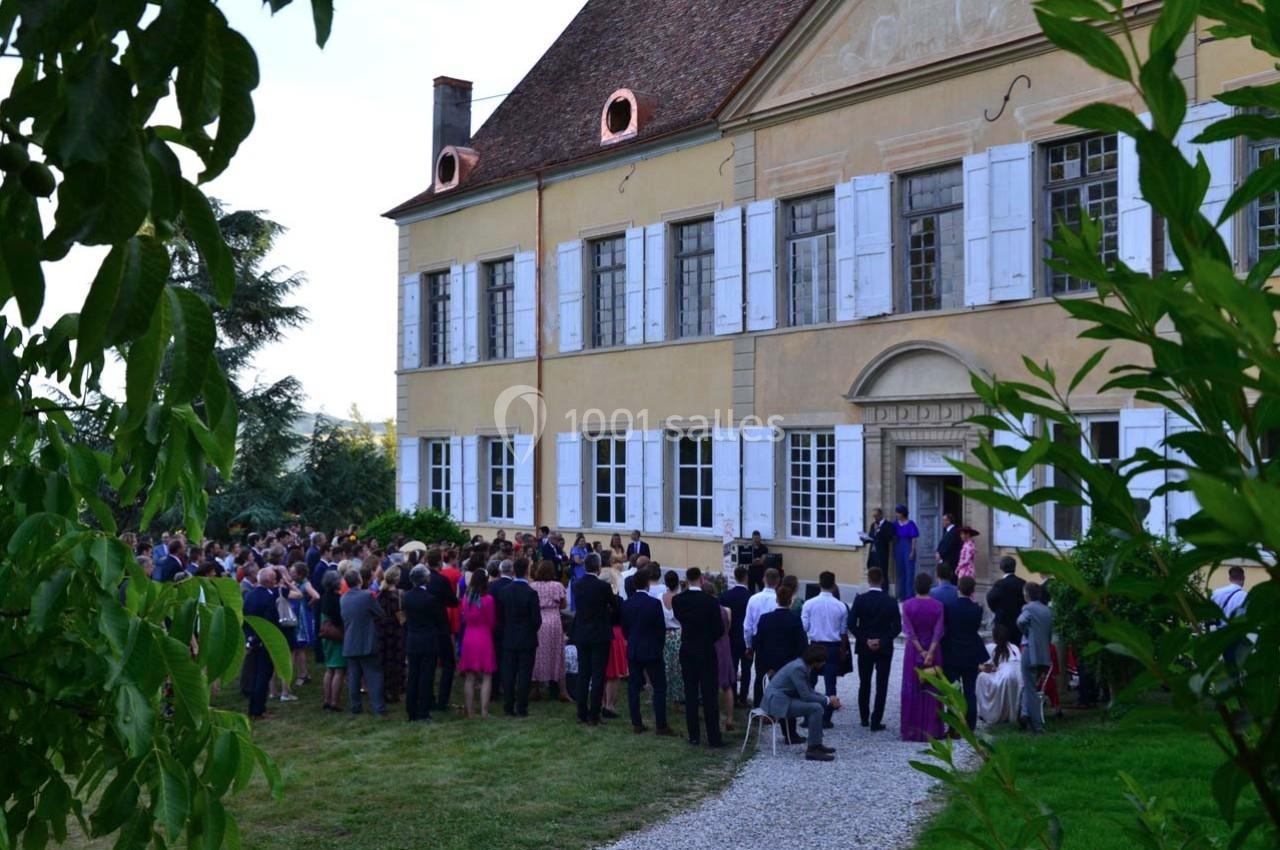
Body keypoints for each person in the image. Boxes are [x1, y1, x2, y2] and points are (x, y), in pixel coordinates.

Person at [761, 645, 841, 762]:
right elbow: (807, 696)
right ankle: (813, 749)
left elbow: (808, 690)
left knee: (816, 707)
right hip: (777, 703)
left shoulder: (802, 665)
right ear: (816, 661)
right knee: (816, 708)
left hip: (782, 698)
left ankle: (816, 744)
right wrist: (829, 701)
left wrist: (827, 698)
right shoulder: (799, 668)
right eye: (823, 661)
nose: (824, 664)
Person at [672, 567, 724, 747]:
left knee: (691, 693)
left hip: (687, 649)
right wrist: (707, 638)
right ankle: (713, 737)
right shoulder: (710, 602)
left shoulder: (678, 600)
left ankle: (694, 735)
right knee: (710, 694)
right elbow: (719, 629)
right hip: (706, 650)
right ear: (701, 579)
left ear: (686, 579)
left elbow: (680, 619)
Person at [751, 583, 808, 741]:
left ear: (776, 600)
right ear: (790, 601)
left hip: (767, 665)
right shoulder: (794, 619)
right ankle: (789, 733)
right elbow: (802, 645)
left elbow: (757, 643)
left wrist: (765, 664)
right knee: (788, 697)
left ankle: (760, 717)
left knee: (762, 687)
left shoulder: (765, 619)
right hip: (787, 666)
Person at [621, 565, 674, 735]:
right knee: (659, 687)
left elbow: (625, 629)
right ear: (647, 584)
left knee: (634, 687)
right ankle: (661, 724)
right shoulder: (653, 604)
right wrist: (659, 645)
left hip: (635, 648)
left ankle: (636, 722)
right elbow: (660, 628)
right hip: (652, 649)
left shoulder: (627, 604)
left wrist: (632, 640)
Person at [850, 566, 901, 731]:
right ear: (882, 580)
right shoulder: (890, 601)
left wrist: (866, 640)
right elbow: (897, 627)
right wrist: (882, 640)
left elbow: (851, 624)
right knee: (881, 684)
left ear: (869, 580)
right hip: (884, 648)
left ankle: (864, 717)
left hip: (865, 647)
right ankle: (875, 720)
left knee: (864, 683)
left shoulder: (860, 599)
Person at [571, 553, 618, 725]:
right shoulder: (603, 587)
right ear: (598, 567)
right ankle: (594, 714)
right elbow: (614, 605)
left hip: (582, 632)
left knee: (584, 673)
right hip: (599, 633)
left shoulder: (577, 585)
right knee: (598, 675)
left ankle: (581, 713)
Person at [941, 575, 990, 733]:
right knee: (970, 691)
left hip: (952, 651)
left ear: (958, 588)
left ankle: (954, 725)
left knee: (953, 690)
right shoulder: (977, 609)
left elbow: (946, 627)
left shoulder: (949, 606)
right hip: (970, 652)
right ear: (972, 590)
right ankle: (970, 724)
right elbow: (974, 628)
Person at [901, 572, 945, 742]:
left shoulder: (907, 605)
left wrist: (921, 651)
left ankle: (912, 728)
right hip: (933, 649)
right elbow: (938, 631)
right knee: (932, 689)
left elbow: (909, 631)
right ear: (931, 587)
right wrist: (931, 652)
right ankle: (932, 728)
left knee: (913, 687)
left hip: (914, 650)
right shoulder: (938, 606)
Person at [800, 571, 847, 728]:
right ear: (834, 585)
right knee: (830, 683)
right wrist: (843, 649)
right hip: (832, 646)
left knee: (810, 683)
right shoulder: (841, 606)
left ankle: (808, 717)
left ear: (819, 584)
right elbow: (843, 631)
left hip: (815, 644)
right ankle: (826, 718)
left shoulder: (809, 604)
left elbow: (804, 626)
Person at [402, 565, 448, 722]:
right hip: (428, 640)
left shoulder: (406, 596)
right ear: (426, 579)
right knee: (426, 676)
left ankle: (411, 709)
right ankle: (423, 710)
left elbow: (403, 617)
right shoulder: (430, 599)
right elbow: (439, 620)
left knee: (413, 675)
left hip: (413, 639)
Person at [496, 558, 541, 717]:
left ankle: (509, 706)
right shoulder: (531, 593)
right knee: (524, 674)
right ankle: (522, 707)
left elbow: (500, 617)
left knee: (509, 673)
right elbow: (536, 620)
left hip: (509, 637)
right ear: (527, 571)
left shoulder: (505, 591)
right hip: (526, 638)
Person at [341, 569, 387, 716]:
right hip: (367, 641)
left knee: (354, 677)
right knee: (374, 675)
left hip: (350, 641)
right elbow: (380, 613)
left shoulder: (343, 598)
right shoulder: (367, 596)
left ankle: (356, 707)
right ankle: (378, 707)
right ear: (359, 580)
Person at [457, 569, 497, 718]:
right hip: (484, 636)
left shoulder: (466, 598)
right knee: (487, 676)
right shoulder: (489, 600)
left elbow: (464, 618)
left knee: (469, 677)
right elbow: (492, 621)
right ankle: (484, 711)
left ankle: (470, 711)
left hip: (469, 636)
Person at [243, 568, 281, 720]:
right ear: (269, 581)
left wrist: (250, 638)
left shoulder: (249, 595)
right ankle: (259, 710)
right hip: (265, 641)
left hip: (252, 639)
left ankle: (254, 708)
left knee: (255, 675)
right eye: (273, 579)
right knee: (263, 676)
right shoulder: (269, 598)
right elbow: (270, 622)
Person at [1017, 582, 1053, 734]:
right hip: (1044, 652)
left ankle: (1036, 725)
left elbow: (1020, 622)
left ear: (1027, 595)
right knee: (1031, 686)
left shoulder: (1028, 608)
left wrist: (1026, 633)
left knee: (1030, 688)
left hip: (1030, 652)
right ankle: (1025, 714)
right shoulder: (1047, 610)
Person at [530, 560, 568, 701]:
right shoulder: (557, 585)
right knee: (556, 652)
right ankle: (561, 689)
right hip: (553, 620)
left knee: (537, 654)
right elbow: (563, 605)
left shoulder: (532, 586)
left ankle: (535, 688)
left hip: (538, 620)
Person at [742, 567, 781, 706]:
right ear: (778, 581)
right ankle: (774, 707)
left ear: (763, 579)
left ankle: (758, 707)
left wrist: (748, 646)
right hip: (776, 642)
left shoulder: (753, 598)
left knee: (760, 676)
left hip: (759, 641)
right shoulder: (778, 599)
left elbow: (747, 625)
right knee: (776, 678)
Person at [976, 624, 1022, 725]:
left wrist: (982, 668)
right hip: (1018, 677)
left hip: (1005, 677)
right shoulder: (1014, 647)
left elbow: (994, 667)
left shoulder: (999, 650)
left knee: (981, 677)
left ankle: (986, 712)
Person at [719, 566, 752, 708]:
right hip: (746, 637)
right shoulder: (751, 597)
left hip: (730, 636)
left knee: (732, 667)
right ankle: (743, 698)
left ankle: (733, 694)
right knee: (746, 669)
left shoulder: (726, 595)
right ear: (746, 578)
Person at [376, 566, 406, 704]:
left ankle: (384, 690)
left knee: (384, 661)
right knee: (397, 662)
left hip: (382, 631)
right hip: (397, 631)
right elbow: (404, 617)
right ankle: (396, 690)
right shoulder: (400, 595)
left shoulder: (379, 594)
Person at [318, 570, 346, 712]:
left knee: (329, 669)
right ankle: (335, 701)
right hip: (336, 635)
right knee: (339, 670)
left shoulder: (324, 597)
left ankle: (326, 699)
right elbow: (339, 619)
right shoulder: (337, 599)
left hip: (326, 634)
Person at [288, 562, 319, 689]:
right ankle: (302, 673)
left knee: (299, 647)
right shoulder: (296, 584)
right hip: (296, 617)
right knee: (298, 648)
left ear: (300, 574)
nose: (291, 574)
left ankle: (302, 674)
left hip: (302, 620)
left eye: (293, 572)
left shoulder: (306, 584)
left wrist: (308, 605)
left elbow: (316, 596)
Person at [986, 556, 1027, 644]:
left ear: (1001, 568)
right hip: (1018, 621)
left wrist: (997, 610)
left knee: (1003, 648)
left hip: (1002, 622)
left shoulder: (999, 584)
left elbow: (990, 599)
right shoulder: (1023, 583)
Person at [659, 568, 684, 705]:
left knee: (666, 666)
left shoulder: (659, 598)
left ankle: (665, 694)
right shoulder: (681, 599)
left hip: (665, 634)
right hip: (678, 633)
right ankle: (678, 697)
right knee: (679, 667)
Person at [713, 589, 736, 733]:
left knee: (712, 684)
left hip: (713, 645)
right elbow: (728, 628)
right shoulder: (727, 611)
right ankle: (730, 718)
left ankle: (715, 716)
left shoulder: (707, 611)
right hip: (724, 645)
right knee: (727, 684)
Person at [893, 505, 920, 601]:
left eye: (898, 513)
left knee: (909, 572)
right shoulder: (896, 524)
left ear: (903, 513)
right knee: (900, 572)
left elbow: (914, 538)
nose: (897, 515)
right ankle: (901, 595)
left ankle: (909, 595)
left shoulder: (910, 524)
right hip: (899, 547)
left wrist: (912, 551)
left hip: (908, 546)